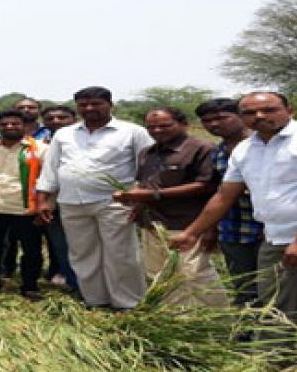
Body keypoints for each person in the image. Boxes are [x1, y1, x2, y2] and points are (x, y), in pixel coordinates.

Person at [171, 92, 297, 368]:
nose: (259, 116)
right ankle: (274, 359)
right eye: (250, 113)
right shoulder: (246, 149)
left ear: (289, 109)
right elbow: (224, 195)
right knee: (274, 302)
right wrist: (192, 232)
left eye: (269, 109)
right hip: (274, 236)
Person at [37, 86, 153, 310]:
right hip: (71, 202)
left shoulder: (132, 132)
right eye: (83, 105)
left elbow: (147, 168)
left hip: (115, 202)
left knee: (121, 255)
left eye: (96, 103)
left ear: (110, 105)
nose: (89, 108)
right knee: (83, 254)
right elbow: (51, 170)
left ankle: (128, 303)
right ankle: (95, 300)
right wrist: (44, 200)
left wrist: (141, 200)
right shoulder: (64, 134)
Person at [113, 107, 226, 307]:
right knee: (160, 275)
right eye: (151, 127)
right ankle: (176, 318)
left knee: (194, 275)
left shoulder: (202, 149)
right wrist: (136, 201)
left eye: (165, 125)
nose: (157, 130)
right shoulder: (147, 153)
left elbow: (206, 186)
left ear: (184, 124)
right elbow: (145, 183)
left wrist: (151, 195)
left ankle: (215, 323)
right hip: (154, 223)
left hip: (188, 224)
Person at [196, 98, 263, 306]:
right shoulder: (218, 152)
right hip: (233, 228)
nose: (214, 124)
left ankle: (276, 330)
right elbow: (218, 192)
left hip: (267, 228)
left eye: (222, 118)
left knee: (272, 284)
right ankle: (247, 331)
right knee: (243, 284)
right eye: (207, 121)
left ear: (241, 116)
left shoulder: (263, 147)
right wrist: (211, 229)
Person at [0, 110, 48, 299]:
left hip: (26, 210)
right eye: (4, 124)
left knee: (31, 250)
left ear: (24, 126)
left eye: (15, 124)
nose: (9, 127)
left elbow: (49, 179)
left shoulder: (40, 149)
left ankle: (30, 286)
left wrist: (45, 205)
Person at [38, 105, 79, 288]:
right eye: (50, 118)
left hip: (81, 200)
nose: (56, 121)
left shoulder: (82, 141)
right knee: (60, 244)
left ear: (74, 119)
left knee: (82, 245)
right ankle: (70, 280)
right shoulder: (40, 144)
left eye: (62, 118)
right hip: (52, 201)